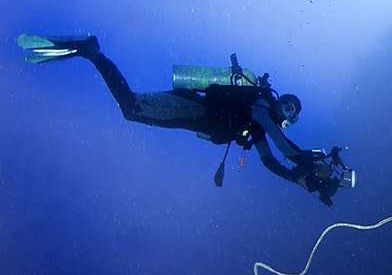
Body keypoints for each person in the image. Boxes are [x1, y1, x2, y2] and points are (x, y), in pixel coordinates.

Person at [17, 34, 355, 205]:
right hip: (193, 108)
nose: (287, 112)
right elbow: (285, 149)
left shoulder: (259, 123)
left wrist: (299, 180)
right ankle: (92, 52)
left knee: (132, 110)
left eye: (292, 113)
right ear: (280, 101)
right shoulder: (262, 106)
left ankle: (91, 53)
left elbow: (270, 161)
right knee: (132, 108)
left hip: (193, 117)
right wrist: (311, 163)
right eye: (289, 106)